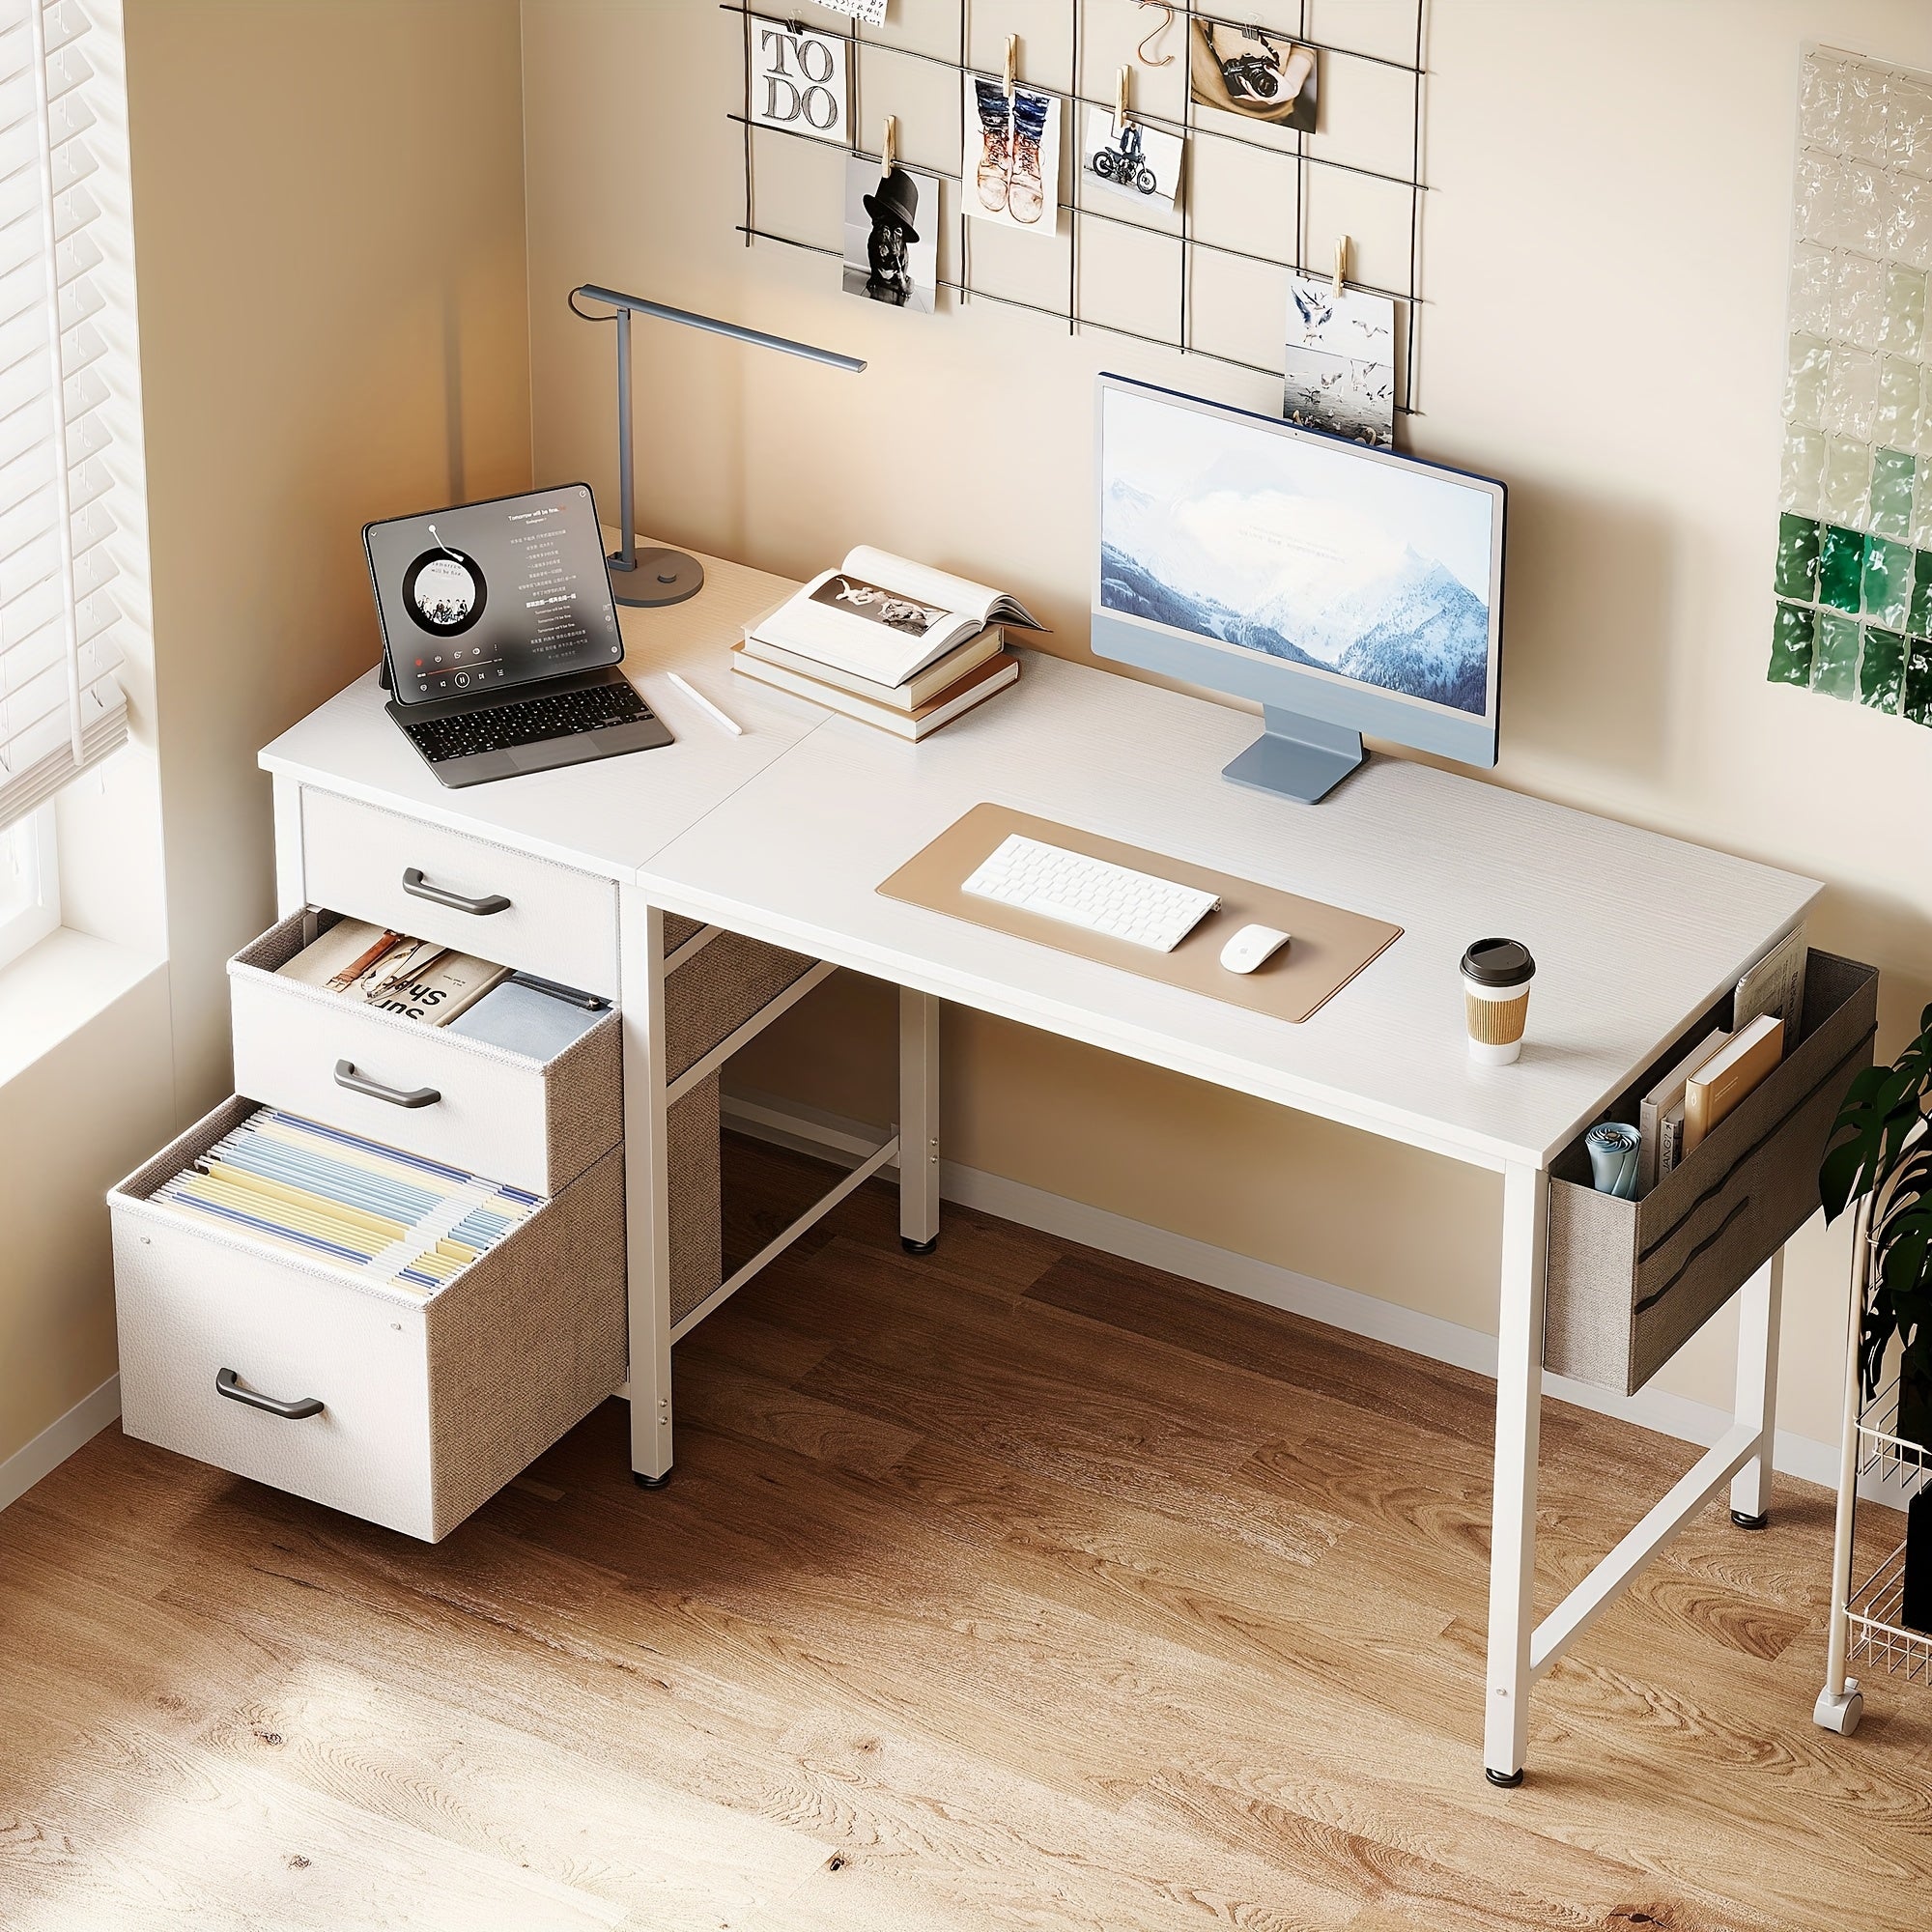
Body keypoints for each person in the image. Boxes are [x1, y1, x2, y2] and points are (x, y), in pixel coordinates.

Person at [862, 165, 921, 306]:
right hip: (879, 272)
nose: (886, 233)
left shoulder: (902, 250)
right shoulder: (874, 240)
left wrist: (901, 278)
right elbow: (872, 254)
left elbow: (903, 262)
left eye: (896, 231)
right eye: (882, 225)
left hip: (896, 275)